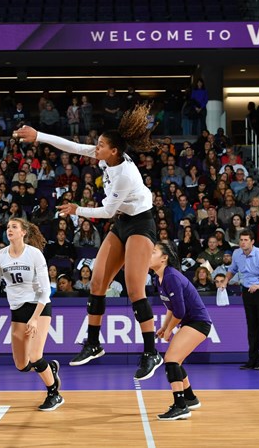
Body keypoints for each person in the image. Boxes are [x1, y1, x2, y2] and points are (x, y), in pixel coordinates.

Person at [15, 104, 163, 380]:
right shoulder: (107, 158)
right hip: (122, 221)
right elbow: (72, 146)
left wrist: (76, 210)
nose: (96, 148)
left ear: (114, 151)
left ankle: (151, 352)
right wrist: (40, 135)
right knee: (97, 282)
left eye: (101, 145)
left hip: (141, 223)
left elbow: (106, 212)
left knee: (134, 289)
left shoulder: (125, 175)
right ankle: (93, 343)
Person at [0, 218, 63, 411]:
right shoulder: (0, 256)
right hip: (17, 308)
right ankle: (49, 368)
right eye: (8, 227)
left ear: (23, 232)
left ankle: (54, 393)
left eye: (14, 227)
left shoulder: (34, 254)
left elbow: (46, 290)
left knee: (35, 356)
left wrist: (35, 318)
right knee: (21, 364)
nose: (9, 229)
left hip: (39, 306)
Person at [150, 241, 211, 421]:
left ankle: (180, 406)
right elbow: (171, 307)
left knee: (171, 359)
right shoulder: (159, 278)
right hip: (190, 322)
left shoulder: (171, 277)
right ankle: (190, 398)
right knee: (177, 360)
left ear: (164, 258)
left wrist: (169, 330)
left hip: (198, 322)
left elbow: (180, 311)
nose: (148, 255)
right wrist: (164, 326)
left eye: (153, 252)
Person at [220, 230, 259, 370]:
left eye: (246, 240)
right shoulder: (236, 254)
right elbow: (233, 269)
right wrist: (225, 281)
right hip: (247, 291)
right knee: (251, 327)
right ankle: (252, 360)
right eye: (241, 240)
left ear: (252, 242)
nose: (243, 242)